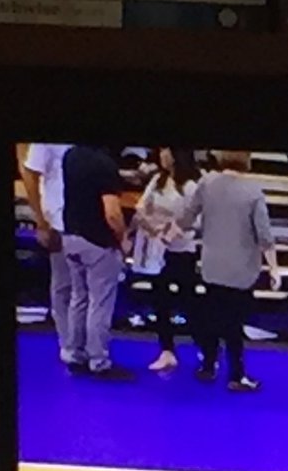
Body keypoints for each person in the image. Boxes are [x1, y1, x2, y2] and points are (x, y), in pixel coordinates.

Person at [180, 150, 278, 391]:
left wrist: (167, 234)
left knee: (212, 317)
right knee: (233, 323)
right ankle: (236, 375)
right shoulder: (253, 191)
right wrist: (274, 268)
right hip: (241, 269)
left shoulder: (207, 182)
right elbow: (264, 236)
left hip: (212, 265)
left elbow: (187, 217)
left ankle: (208, 365)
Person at [60, 144, 132, 379]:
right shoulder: (104, 164)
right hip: (97, 242)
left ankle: (73, 353)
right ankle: (99, 360)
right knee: (99, 304)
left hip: (71, 236)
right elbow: (112, 213)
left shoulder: (71, 155)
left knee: (78, 299)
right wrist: (123, 240)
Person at [132, 148, 201, 372]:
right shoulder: (157, 180)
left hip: (182, 250)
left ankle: (205, 348)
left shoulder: (191, 185)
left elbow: (196, 220)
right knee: (160, 300)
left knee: (189, 300)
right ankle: (166, 350)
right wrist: (150, 224)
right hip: (156, 249)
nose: (162, 155)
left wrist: (172, 228)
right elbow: (142, 206)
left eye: (166, 151)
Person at [19, 143, 75, 368]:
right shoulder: (45, 142)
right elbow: (30, 174)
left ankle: (84, 343)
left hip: (86, 220)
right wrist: (41, 221)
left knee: (85, 289)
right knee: (63, 286)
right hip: (58, 220)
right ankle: (68, 344)